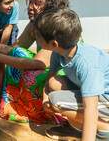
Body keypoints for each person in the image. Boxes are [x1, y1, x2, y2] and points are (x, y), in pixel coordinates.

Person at [0, 0, 70, 123]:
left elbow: (38, 63)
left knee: (33, 73)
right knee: (17, 55)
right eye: (29, 1)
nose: (30, 7)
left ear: (51, 6)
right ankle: (18, 104)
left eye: (37, 3)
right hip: (45, 69)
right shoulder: (34, 25)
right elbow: (14, 49)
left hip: (64, 77)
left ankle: (37, 110)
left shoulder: (57, 26)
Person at [34, 8, 109, 141]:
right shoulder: (58, 53)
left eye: (37, 36)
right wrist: (44, 99)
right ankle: (77, 127)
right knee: (53, 84)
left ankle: (104, 128)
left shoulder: (87, 64)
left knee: (56, 101)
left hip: (105, 99)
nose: (36, 38)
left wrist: (50, 102)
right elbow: (49, 79)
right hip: (96, 94)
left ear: (53, 43)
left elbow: (90, 109)